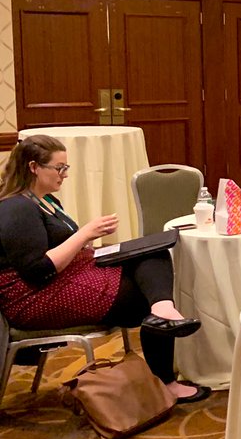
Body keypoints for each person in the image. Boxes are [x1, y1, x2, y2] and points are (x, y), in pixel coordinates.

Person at [0, 136, 207, 402]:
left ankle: (162, 311)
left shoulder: (45, 201)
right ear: (33, 167)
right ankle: (165, 374)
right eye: (59, 168)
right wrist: (86, 233)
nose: (64, 175)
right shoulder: (16, 208)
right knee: (143, 294)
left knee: (153, 253)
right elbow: (37, 270)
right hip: (33, 297)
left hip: (64, 278)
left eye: (66, 168)